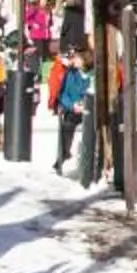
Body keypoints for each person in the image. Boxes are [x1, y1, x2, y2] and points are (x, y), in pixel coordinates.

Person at [51, 49, 92, 178]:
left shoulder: (91, 75)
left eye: (77, 58)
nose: (74, 60)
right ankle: (63, 154)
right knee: (67, 124)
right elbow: (64, 94)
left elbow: (92, 92)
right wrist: (72, 105)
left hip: (89, 108)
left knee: (90, 123)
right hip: (73, 108)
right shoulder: (71, 74)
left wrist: (84, 103)